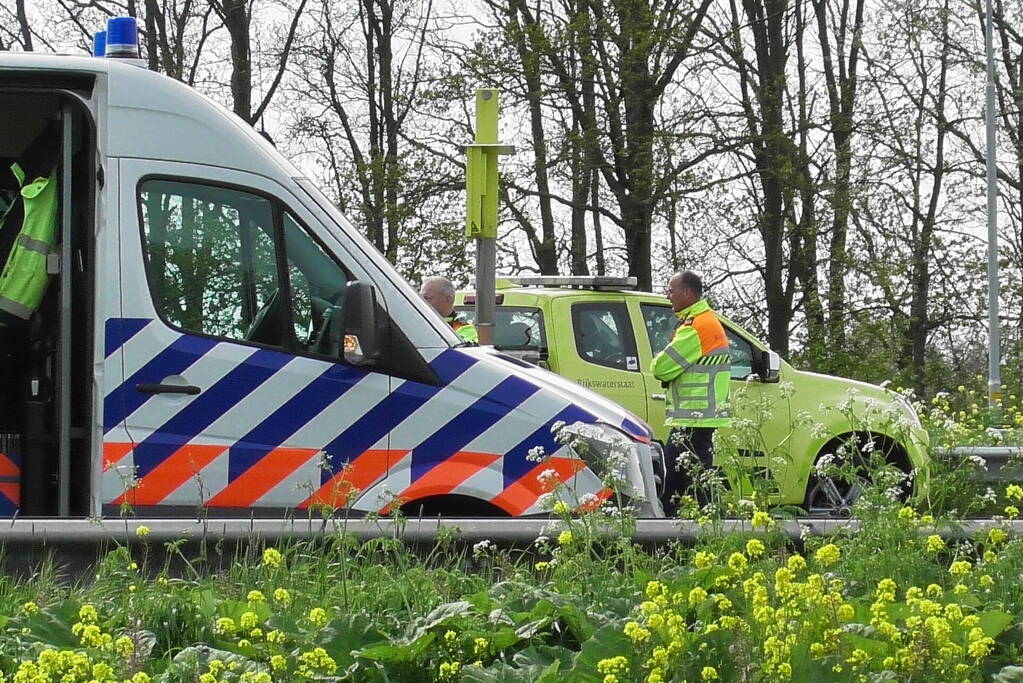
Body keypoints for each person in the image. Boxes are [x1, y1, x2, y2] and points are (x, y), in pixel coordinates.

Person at [651, 271, 732, 514]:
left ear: (687, 293)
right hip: (696, 418)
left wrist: (656, 361)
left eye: (671, 291)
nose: (668, 295)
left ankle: (709, 525)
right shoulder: (703, 322)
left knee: (693, 483)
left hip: (693, 418)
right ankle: (670, 527)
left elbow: (661, 369)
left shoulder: (696, 327)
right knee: (676, 482)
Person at [420, 276, 478, 343]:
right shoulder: (418, 322)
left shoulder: (464, 328)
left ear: (448, 299)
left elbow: (466, 347)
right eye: (419, 297)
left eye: (426, 298)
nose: (421, 301)